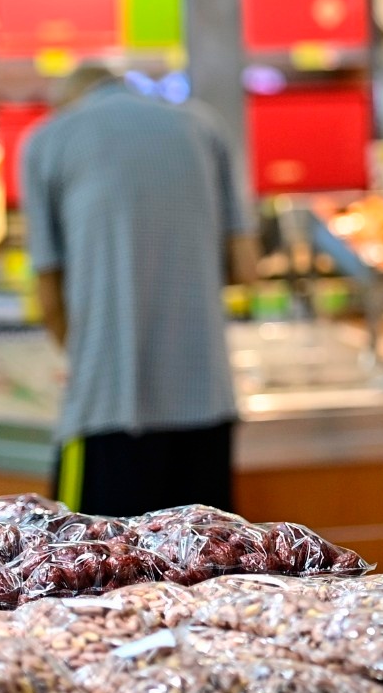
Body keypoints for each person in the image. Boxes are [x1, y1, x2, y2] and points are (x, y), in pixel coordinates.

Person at [21, 65, 256, 517]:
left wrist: (86, 352)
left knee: (95, 572)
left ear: (66, 100)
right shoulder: (204, 127)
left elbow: (48, 289)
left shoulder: (48, 140)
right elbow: (246, 267)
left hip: (109, 412)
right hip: (206, 406)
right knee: (209, 574)